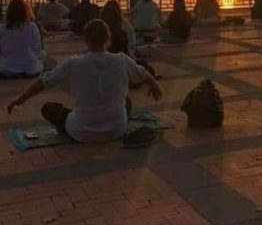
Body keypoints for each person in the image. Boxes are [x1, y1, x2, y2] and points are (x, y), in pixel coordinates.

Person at [7, 19, 162, 144]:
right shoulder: (121, 59)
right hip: (117, 129)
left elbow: (44, 82)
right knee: (125, 101)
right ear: (108, 38)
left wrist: (20, 99)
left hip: (82, 131)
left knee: (49, 109)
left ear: (86, 39)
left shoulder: (73, 63)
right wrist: (154, 85)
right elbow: (142, 74)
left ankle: (73, 125)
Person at [0, 0, 46, 78]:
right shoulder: (32, 26)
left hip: (7, 67)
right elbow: (37, 49)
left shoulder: (2, 28)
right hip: (31, 67)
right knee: (44, 54)